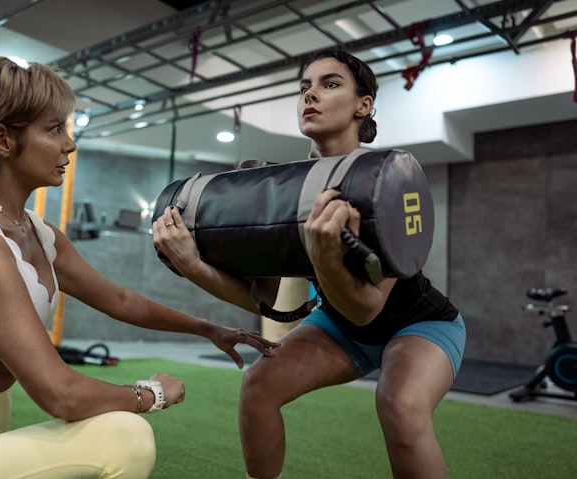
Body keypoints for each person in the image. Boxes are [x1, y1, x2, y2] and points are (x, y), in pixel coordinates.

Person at [0, 56, 279, 479]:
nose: (69, 144)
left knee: (116, 429)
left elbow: (120, 300)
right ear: (2, 140)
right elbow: (59, 395)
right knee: (124, 436)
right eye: (53, 129)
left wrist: (208, 329)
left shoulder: (37, 231)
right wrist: (153, 393)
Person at [153, 49, 465, 479]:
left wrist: (325, 258)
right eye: (304, 88)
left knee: (400, 404)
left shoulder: (383, 180)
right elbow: (262, 298)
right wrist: (192, 265)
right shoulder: (282, 188)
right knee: (258, 387)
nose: (310, 95)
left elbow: (368, 307)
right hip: (341, 326)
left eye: (329, 84)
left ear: (364, 104)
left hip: (418, 323)